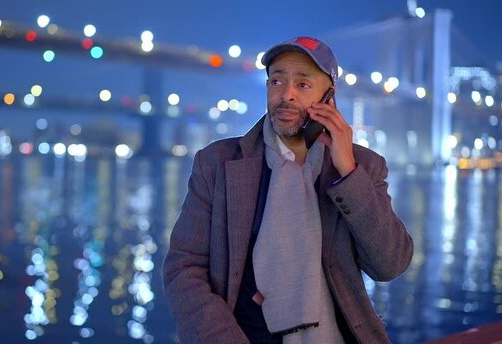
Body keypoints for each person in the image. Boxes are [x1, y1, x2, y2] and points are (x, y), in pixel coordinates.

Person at [162, 36, 414, 344]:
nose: (286, 95)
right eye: (277, 81)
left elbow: (390, 264)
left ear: (329, 97)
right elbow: (184, 268)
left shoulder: (363, 168)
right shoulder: (217, 164)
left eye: (303, 85)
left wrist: (348, 171)